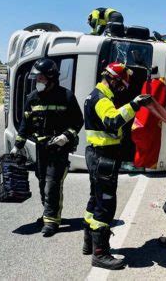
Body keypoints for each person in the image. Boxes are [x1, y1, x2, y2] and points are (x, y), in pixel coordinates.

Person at [83, 62, 152, 270]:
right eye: (120, 85)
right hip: (104, 156)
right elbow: (112, 121)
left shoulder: (94, 95)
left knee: (95, 200)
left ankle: (89, 242)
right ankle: (100, 253)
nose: (120, 89)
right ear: (112, 79)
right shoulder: (101, 99)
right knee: (105, 205)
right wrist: (135, 104)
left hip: (96, 154)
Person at [11, 58, 83, 237]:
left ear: (51, 77)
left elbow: (78, 121)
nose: (38, 82)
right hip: (41, 149)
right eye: (37, 79)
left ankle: (51, 221)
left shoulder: (66, 96)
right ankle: (48, 214)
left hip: (59, 149)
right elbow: (25, 124)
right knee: (43, 182)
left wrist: (66, 136)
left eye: (41, 78)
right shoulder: (32, 98)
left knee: (52, 184)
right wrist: (17, 145)